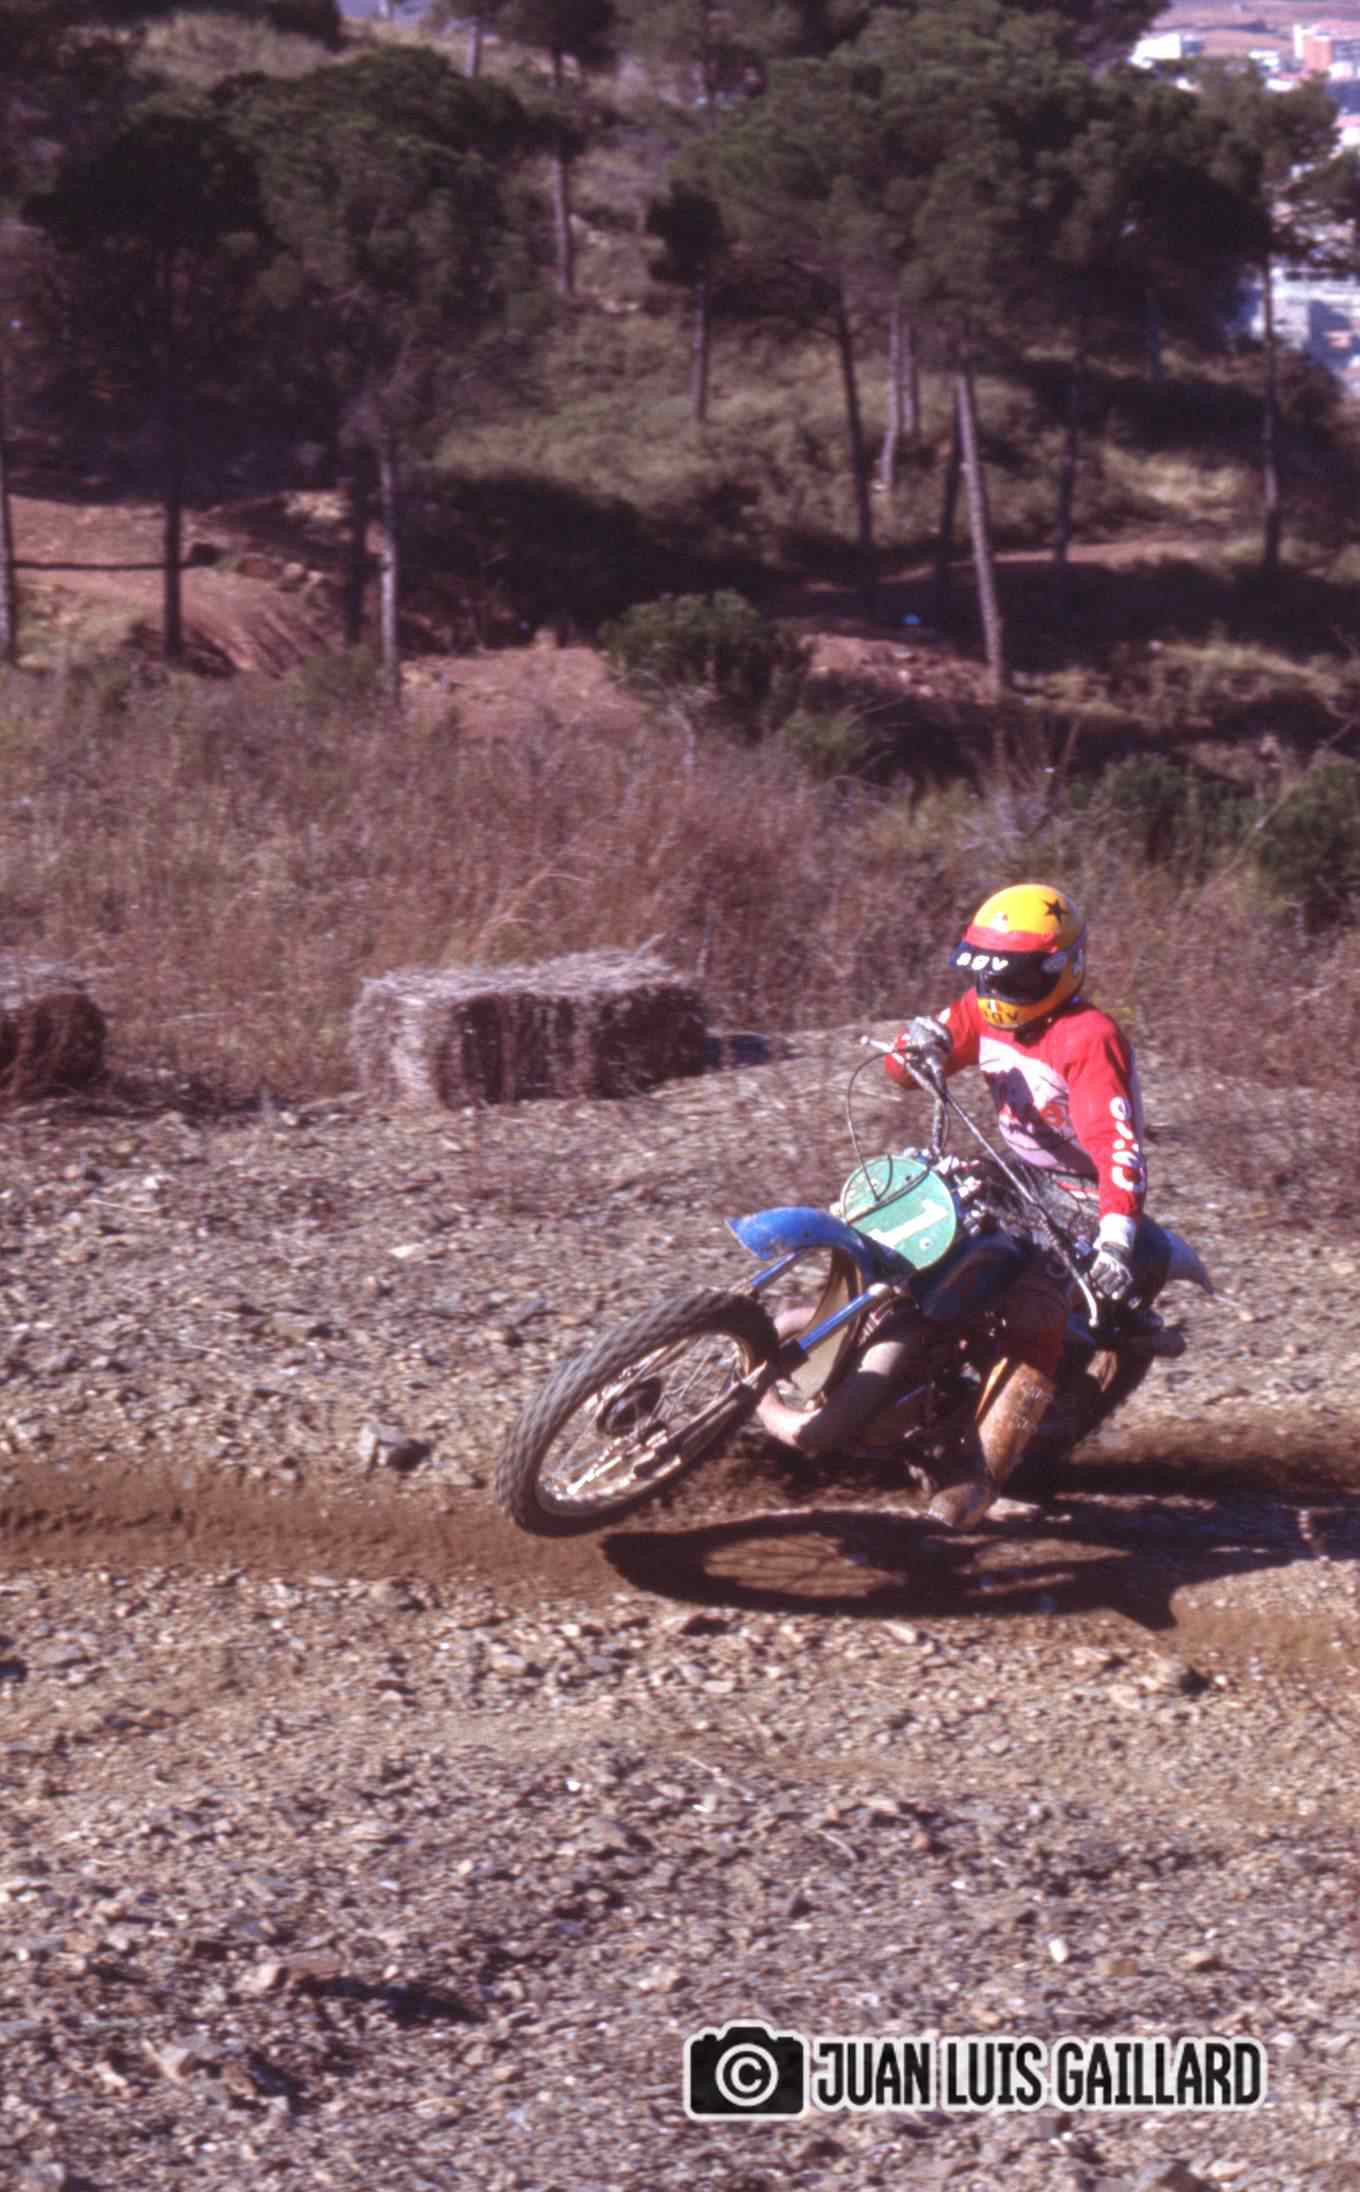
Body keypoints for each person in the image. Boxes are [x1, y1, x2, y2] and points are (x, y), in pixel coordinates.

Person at [753, 881, 1150, 1531]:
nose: (998, 992)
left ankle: (979, 1475)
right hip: (1011, 1172)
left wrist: (1116, 1238)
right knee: (889, 1217)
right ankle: (841, 1336)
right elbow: (903, 1068)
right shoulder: (983, 1008)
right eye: (990, 975)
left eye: (1016, 978)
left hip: (1079, 1197)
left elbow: (1117, 1148)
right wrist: (918, 1043)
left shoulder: (1088, 1037)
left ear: (1060, 968)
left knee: (1033, 1316)